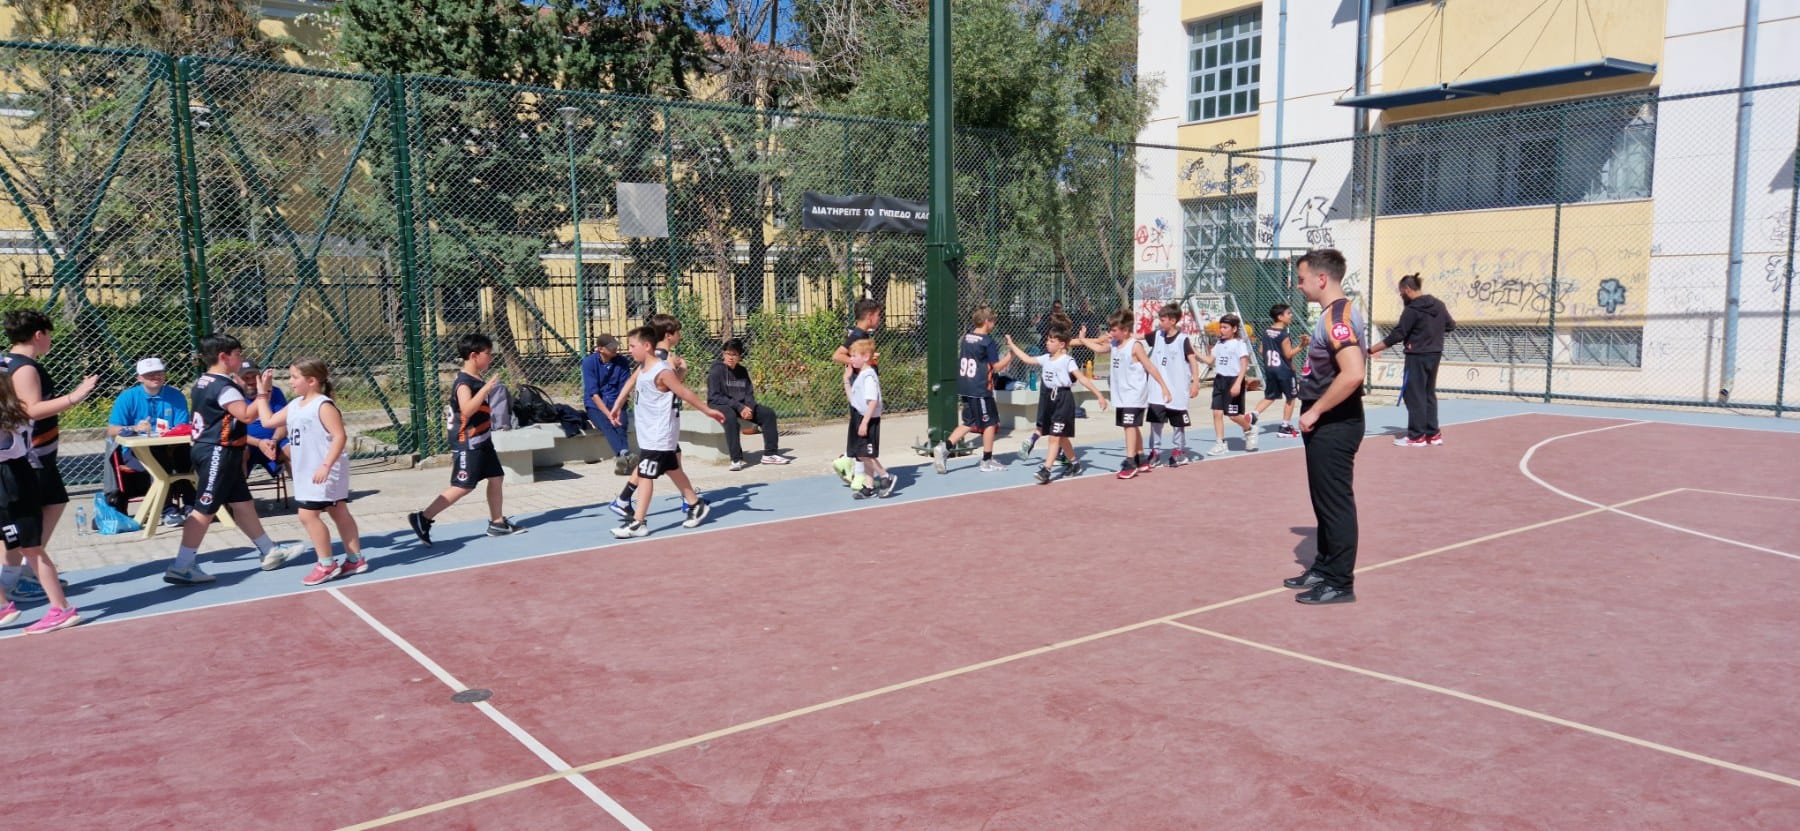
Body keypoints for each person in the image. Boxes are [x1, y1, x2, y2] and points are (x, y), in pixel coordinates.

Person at [161, 333, 307, 585]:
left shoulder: (204, 381)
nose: (241, 358)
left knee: (242, 503)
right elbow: (248, 416)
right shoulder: (224, 387)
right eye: (238, 354)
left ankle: (268, 549)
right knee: (203, 510)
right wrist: (263, 392)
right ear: (223, 357)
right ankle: (182, 565)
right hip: (218, 451)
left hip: (218, 449)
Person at [1284, 248, 1366, 605]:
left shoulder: (1337, 318)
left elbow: (1354, 373)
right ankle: (1324, 565)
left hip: (1335, 422)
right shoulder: (1334, 315)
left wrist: (1314, 411)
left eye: (1301, 279)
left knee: (1335, 503)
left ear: (1321, 278)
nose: (1298, 286)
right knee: (1323, 502)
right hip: (1329, 422)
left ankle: (1339, 581)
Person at [0, 310, 98, 606]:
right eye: (49, 335)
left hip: (32, 452)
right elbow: (31, 409)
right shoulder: (25, 367)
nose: (51, 341)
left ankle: (26, 573)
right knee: (25, 522)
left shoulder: (5, 361)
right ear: (38, 335)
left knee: (53, 504)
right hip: (30, 454)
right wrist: (75, 396)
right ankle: (13, 581)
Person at [252, 360, 367, 586]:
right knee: (338, 511)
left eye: (295, 377)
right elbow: (267, 421)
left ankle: (326, 563)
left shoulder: (323, 406)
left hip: (325, 468)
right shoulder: (296, 404)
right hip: (306, 470)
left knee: (307, 515)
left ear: (311, 381)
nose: (291, 382)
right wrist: (262, 393)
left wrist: (326, 465)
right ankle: (354, 559)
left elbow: (340, 436)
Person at [406, 333, 524, 547]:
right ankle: (423, 518)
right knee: (463, 486)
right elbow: (467, 410)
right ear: (473, 355)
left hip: (482, 438)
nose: (491, 358)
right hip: (467, 441)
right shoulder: (464, 382)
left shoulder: (476, 377)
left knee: (496, 477)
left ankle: (497, 523)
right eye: (487, 354)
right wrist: (487, 389)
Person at [610, 326, 724, 538]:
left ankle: (638, 523)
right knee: (672, 469)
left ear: (646, 346)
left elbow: (684, 392)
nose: (629, 350)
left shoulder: (662, 371)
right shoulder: (643, 368)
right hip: (650, 435)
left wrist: (708, 410)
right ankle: (695, 504)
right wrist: (617, 404)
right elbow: (631, 382)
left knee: (645, 475)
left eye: (632, 346)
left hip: (659, 435)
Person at [0, 370, 80, 633]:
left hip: (11, 482)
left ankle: (61, 609)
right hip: (16, 477)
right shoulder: (18, 409)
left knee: (31, 548)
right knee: (30, 548)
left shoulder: (7, 413)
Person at [1074, 309, 1171, 479]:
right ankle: (1141, 458)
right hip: (1121, 395)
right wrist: (1082, 339)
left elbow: (1150, 367)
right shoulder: (1114, 345)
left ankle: (1130, 462)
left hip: (1135, 394)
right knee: (1131, 426)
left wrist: (1164, 387)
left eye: (1113, 330)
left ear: (1125, 330)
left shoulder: (1135, 346)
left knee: (1128, 426)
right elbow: (1098, 347)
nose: (1110, 333)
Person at [1004, 329, 1107, 484]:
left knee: (1054, 437)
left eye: (1052, 341)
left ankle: (1046, 470)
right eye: (1047, 340)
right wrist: (1012, 345)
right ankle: (1075, 464)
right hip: (1049, 400)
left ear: (1061, 345)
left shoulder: (1067, 361)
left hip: (1063, 400)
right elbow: (1026, 359)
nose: (1047, 343)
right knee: (1062, 438)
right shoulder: (1046, 358)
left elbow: (1082, 379)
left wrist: (1099, 395)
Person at [1369, 273, 1455, 447]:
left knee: (1414, 394)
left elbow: (1398, 334)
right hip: (1434, 353)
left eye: (1401, 292)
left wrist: (1371, 350)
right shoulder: (1438, 305)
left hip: (1416, 355)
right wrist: (1432, 333)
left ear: (1407, 289)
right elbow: (1450, 325)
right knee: (1428, 393)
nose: (1401, 296)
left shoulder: (1412, 310)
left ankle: (1416, 437)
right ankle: (1433, 434)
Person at [107, 356, 196, 524]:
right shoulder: (127, 397)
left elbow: (182, 427)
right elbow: (112, 430)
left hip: (172, 447)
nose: (156, 377)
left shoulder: (175, 396)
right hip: (137, 452)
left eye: (159, 373)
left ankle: (191, 504)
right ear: (139, 378)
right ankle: (167, 509)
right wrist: (134, 428)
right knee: (158, 457)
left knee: (187, 454)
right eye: (149, 374)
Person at [934, 305, 1012, 474]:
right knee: (991, 422)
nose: (994, 325)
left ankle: (944, 448)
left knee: (970, 422)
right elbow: (996, 367)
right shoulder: (987, 342)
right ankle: (987, 460)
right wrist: (1010, 355)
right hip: (980, 388)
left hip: (965, 386)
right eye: (992, 321)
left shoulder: (967, 337)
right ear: (986, 321)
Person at [705, 339, 790, 471]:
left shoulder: (742, 371)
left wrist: (749, 407)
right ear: (723, 354)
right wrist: (740, 407)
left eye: (734, 354)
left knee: (768, 414)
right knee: (731, 418)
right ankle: (736, 459)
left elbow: (749, 393)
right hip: (719, 403)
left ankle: (770, 454)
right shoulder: (717, 371)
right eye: (727, 353)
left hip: (741, 405)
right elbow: (714, 395)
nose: (730, 357)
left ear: (739, 356)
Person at [1144, 303, 1202, 467]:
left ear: (1173, 320)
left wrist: (1195, 383)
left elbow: (1193, 361)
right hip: (1157, 390)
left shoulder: (1183, 340)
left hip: (1177, 390)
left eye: (1162, 320)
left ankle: (1179, 451)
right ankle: (1154, 451)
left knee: (1178, 424)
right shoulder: (1157, 336)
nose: (1159, 323)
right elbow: (1138, 336)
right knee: (1155, 422)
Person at [1019, 303, 1077, 462]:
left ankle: (1032, 440)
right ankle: (1058, 457)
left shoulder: (1051, 343)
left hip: (1047, 385)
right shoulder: (1061, 346)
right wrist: (1097, 339)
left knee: (1044, 424)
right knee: (1057, 426)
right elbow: (1079, 341)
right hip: (1057, 390)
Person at [1199, 313, 1257, 455]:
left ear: (1234, 328)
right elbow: (1209, 360)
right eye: (1221, 327)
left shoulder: (1239, 344)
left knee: (1233, 415)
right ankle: (1220, 443)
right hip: (1220, 380)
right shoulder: (1219, 343)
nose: (1222, 330)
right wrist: (1193, 352)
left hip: (1234, 380)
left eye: (1225, 327)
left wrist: (1238, 383)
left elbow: (1244, 365)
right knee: (1216, 413)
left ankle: (1249, 429)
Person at [844, 338, 895, 499]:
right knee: (861, 454)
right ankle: (869, 486)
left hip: (868, 420)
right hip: (859, 417)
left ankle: (886, 477)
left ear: (865, 357)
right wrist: (846, 380)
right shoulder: (860, 376)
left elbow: (873, 401)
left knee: (866, 454)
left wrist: (865, 422)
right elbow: (853, 400)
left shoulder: (868, 377)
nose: (851, 359)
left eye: (854, 356)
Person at [1253, 305, 1306, 439]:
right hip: (1284, 372)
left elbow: (1261, 350)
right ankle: (1285, 426)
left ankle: (1253, 414)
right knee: (1291, 397)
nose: (1291, 315)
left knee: (1270, 396)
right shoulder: (1283, 334)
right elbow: (1288, 354)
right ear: (1280, 317)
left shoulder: (1266, 332)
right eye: (1288, 313)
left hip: (1270, 369)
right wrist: (1302, 345)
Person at [580, 335, 633, 461]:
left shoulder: (622, 362)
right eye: (611, 347)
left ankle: (622, 456)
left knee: (621, 424)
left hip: (617, 402)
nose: (615, 349)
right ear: (600, 349)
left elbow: (624, 389)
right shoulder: (589, 363)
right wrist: (609, 414)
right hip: (596, 405)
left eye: (615, 345)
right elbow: (593, 394)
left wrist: (618, 408)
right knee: (606, 425)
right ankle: (624, 454)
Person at [239, 360, 288, 476]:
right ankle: (241, 492)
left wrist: (274, 440)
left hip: (274, 443)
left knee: (291, 450)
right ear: (238, 379)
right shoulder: (234, 396)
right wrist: (258, 442)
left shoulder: (275, 392)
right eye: (246, 378)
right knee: (239, 453)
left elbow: (283, 423)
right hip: (247, 443)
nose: (251, 381)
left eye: (254, 377)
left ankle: (303, 491)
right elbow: (232, 431)